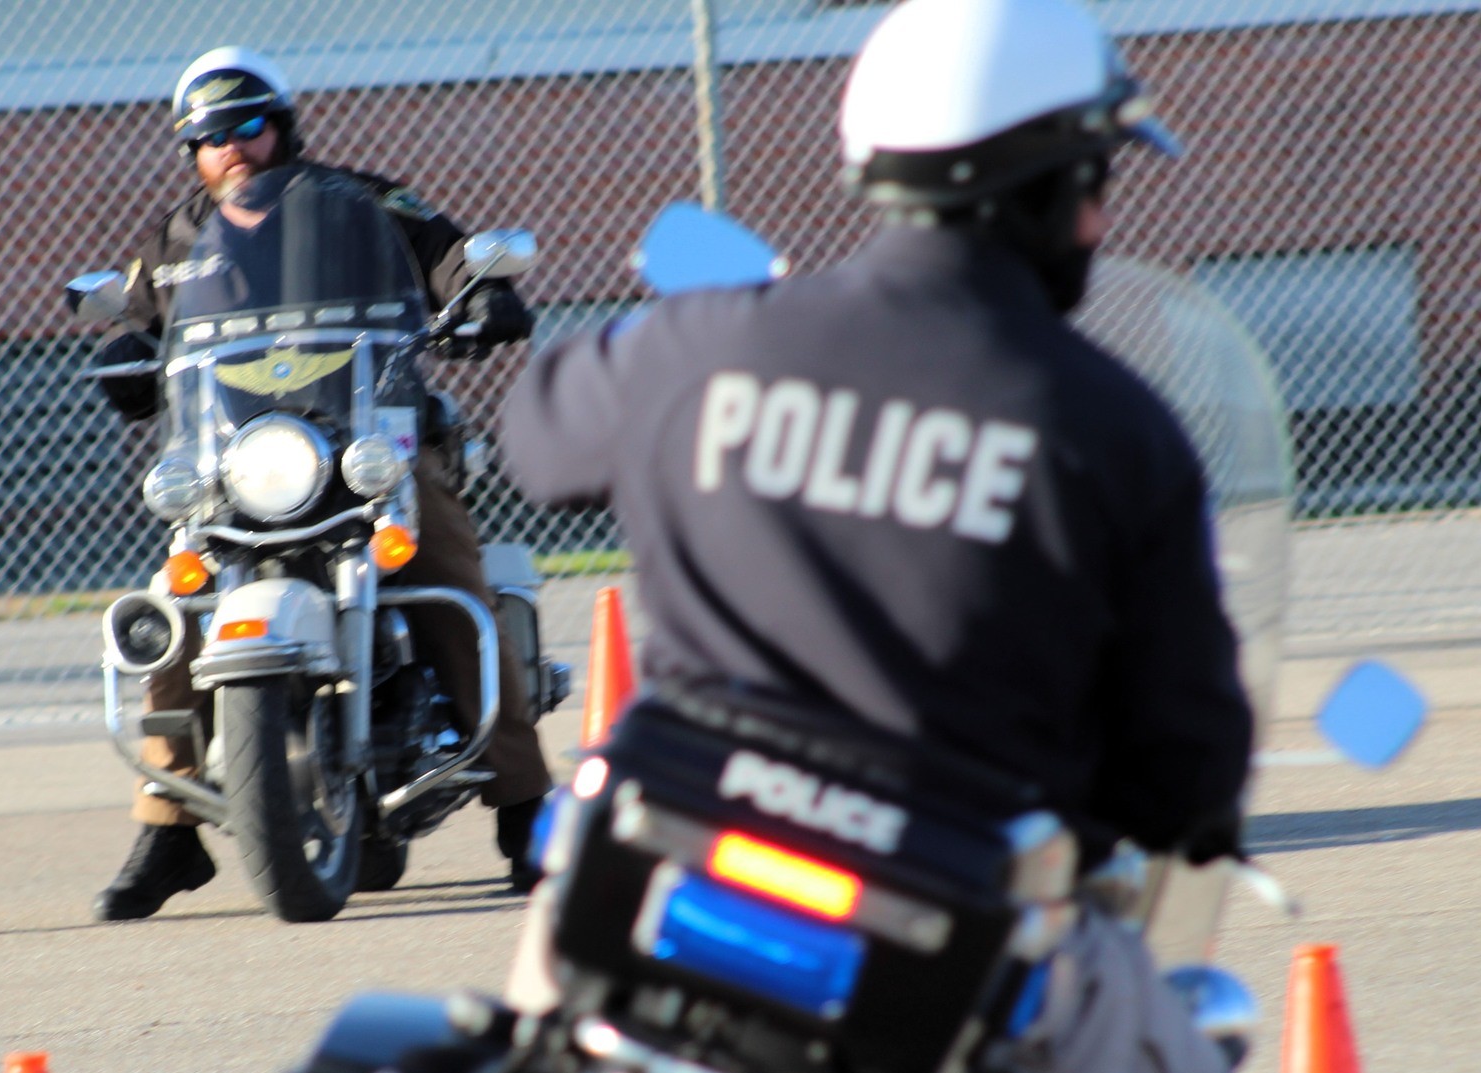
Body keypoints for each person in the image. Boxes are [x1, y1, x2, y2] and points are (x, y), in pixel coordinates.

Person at [496, 0, 1251, 1069]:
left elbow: (532, 437)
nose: (1097, 219)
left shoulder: (702, 348)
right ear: (1054, 182)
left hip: (664, 892)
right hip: (948, 949)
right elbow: (1184, 764)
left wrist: (694, 335)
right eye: (1096, 181)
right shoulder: (1112, 427)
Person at [86, 46, 554, 920]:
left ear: (284, 128)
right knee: (172, 605)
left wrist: (479, 296)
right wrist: (121, 349)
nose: (231, 149)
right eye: (209, 137)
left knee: (454, 576)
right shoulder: (176, 238)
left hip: (369, 441)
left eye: (248, 127)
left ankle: (525, 808)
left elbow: (451, 262)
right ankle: (170, 830)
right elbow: (142, 324)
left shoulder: (367, 204)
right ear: (190, 150)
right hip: (241, 460)